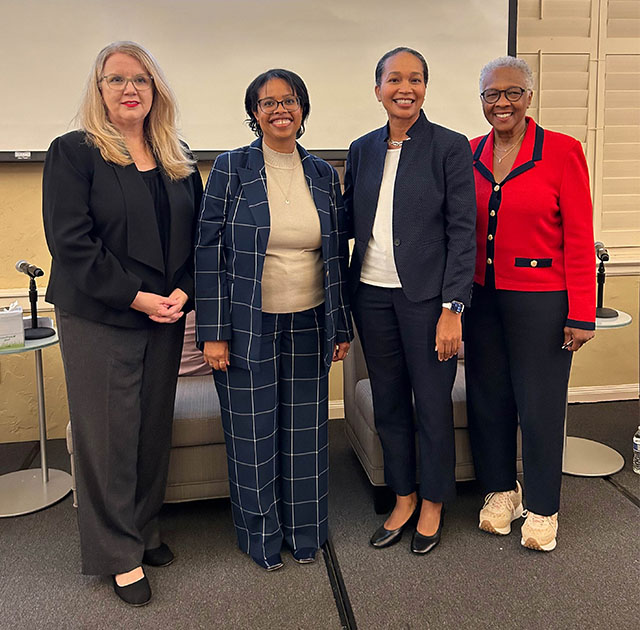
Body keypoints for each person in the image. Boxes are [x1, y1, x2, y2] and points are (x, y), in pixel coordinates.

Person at [42, 41, 203, 605]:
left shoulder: (175, 155)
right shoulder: (74, 153)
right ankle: (116, 553)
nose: (129, 88)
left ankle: (142, 529)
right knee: (108, 435)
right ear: (99, 90)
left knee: (150, 428)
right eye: (116, 80)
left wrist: (182, 289)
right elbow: (71, 244)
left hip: (165, 312)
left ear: (155, 89)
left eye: (140, 79)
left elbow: (194, 236)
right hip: (101, 315)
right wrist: (139, 298)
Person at [195, 69, 352, 571]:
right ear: (254, 113)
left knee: (306, 435)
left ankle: (306, 535)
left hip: (308, 322)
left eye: (289, 101)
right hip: (246, 326)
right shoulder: (229, 168)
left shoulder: (324, 174)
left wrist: (340, 327)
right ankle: (261, 538)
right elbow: (207, 251)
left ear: (303, 109)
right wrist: (214, 332)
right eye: (267, 103)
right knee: (253, 437)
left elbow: (335, 256)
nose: (279, 109)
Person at [343, 47, 476, 554]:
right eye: (394, 79)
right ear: (377, 88)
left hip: (429, 302)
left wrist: (452, 307)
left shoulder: (449, 146)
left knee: (433, 406)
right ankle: (403, 496)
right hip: (372, 298)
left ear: (426, 87)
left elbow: (463, 233)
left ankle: (435, 503)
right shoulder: (361, 148)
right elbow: (347, 219)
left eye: (415, 79)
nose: (406, 88)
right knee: (390, 403)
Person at [466, 56, 596, 552]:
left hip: (543, 301)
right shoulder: (470, 152)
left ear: (529, 96)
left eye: (513, 92)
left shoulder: (562, 152)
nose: (502, 102)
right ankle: (502, 492)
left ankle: (543, 506)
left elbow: (580, 237)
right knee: (488, 399)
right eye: (492, 94)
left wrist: (581, 311)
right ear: (481, 101)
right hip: (482, 299)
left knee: (539, 405)